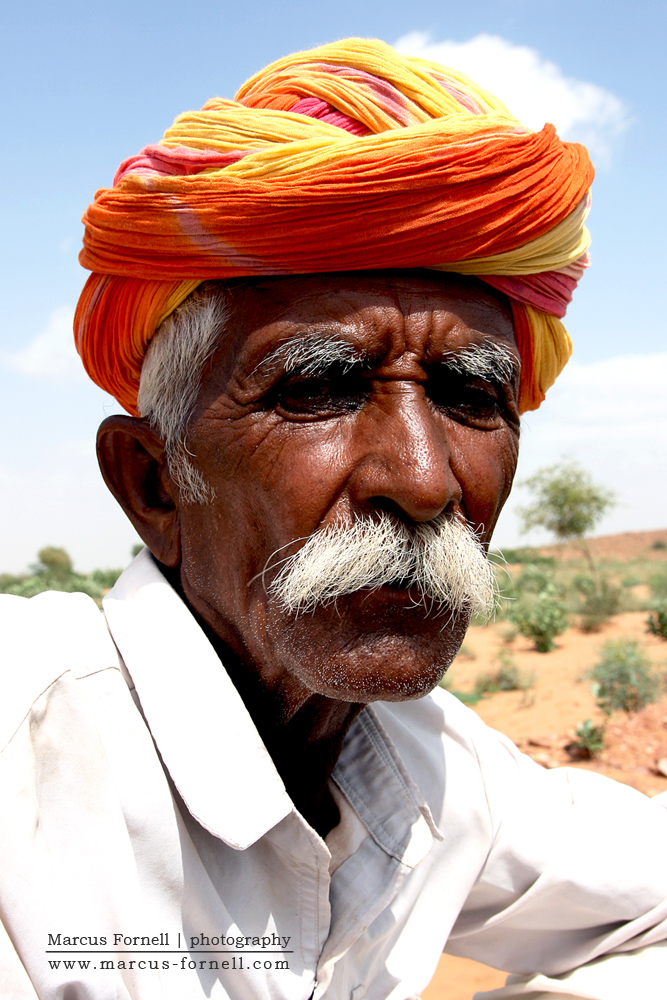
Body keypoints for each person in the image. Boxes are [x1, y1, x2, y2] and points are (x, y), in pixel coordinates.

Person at [1, 38, 666, 1000]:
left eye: (472, 397)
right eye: (319, 387)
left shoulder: (424, 764)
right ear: (153, 485)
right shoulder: (29, 760)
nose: (427, 480)